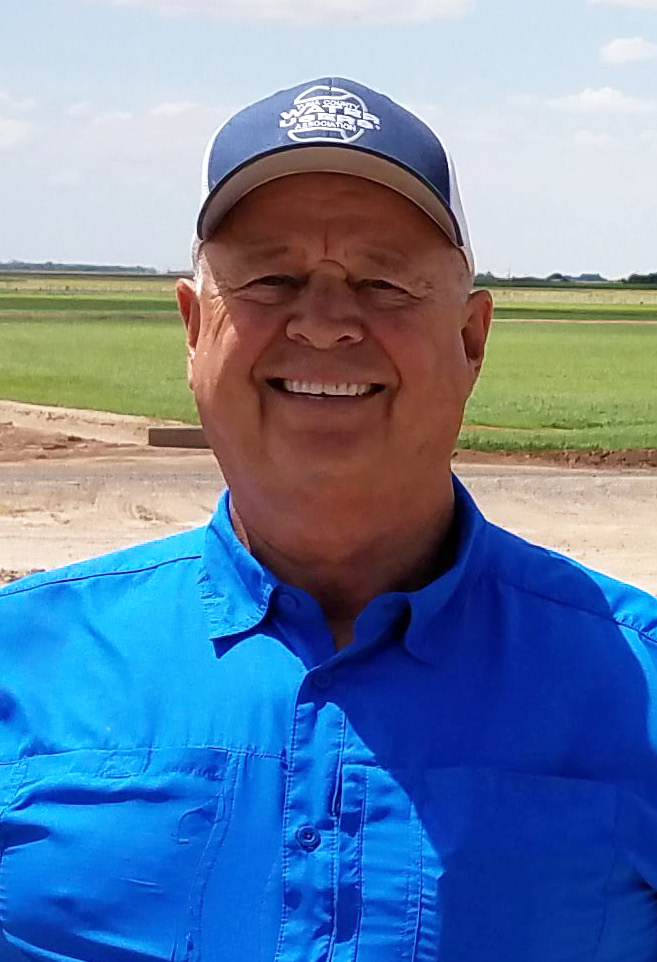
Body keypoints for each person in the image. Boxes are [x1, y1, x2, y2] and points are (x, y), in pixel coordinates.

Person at [0, 77, 656, 962]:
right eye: (270, 279)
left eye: (384, 282)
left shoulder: (636, 678)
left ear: (470, 339)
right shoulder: (21, 663)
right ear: (193, 330)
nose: (322, 323)